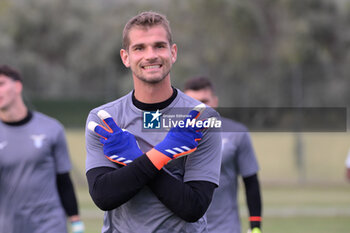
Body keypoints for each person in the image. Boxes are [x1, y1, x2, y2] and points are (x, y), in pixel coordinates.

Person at [85, 11, 222, 233]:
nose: (151, 55)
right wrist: (163, 153)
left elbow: (193, 207)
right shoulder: (104, 119)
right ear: (125, 57)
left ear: (173, 52)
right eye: (139, 48)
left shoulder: (202, 118)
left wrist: (136, 159)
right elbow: (104, 196)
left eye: (159, 46)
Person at [0, 65, 84, 233]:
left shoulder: (51, 128)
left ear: (17, 86)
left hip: (49, 225)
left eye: (1, 84)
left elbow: (64, 181)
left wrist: (76, 223)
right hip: (8, 226)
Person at [184, 76, 262, 233]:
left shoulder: (237, 133)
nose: (199, 107)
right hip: (185, 227)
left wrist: (255, 227)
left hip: (226, 228)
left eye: (204, 101)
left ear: (215, 101)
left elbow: (251, 182)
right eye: (193, 102)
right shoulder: (172, 136)